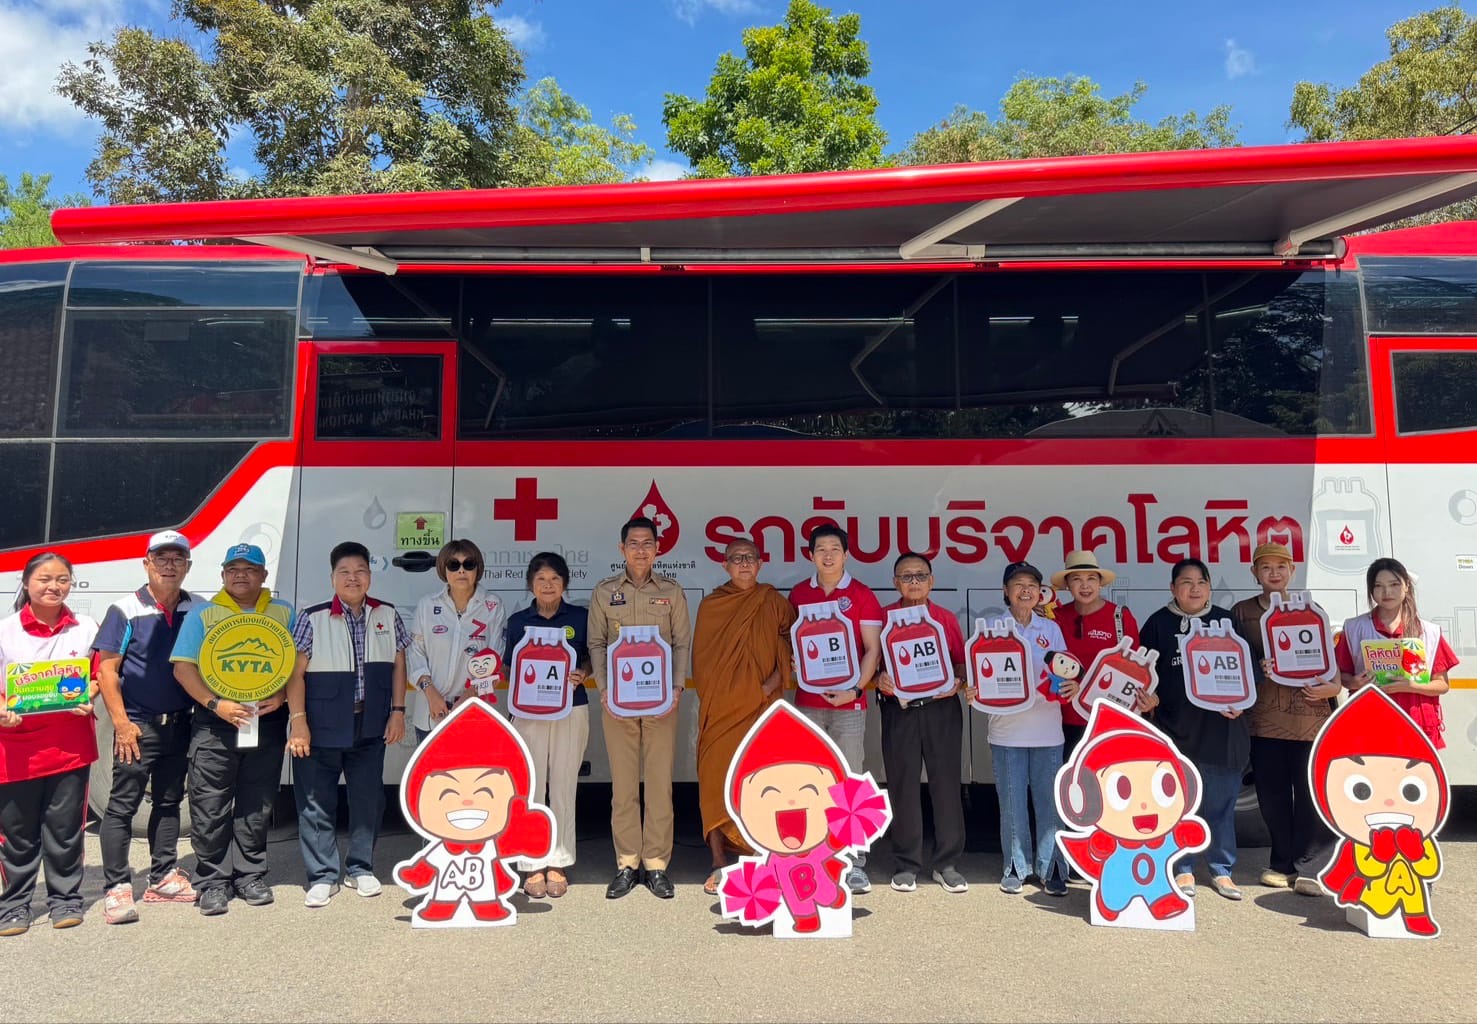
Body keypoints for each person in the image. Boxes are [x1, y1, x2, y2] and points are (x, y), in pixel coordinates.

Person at [170, 543, 295, 917]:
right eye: (233, 569)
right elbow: (183, 668)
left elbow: (298, 664)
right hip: (216, 722)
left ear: (263, 575)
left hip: (266, 721)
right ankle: (212, 881)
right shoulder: (203, 613)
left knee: (257, 803)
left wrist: (283, 695)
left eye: (250, 569)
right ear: (223, 574)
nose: (241, 575)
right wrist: (215, 704)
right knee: (210, 804)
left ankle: (250, 875)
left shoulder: (284, 612)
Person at [285, 541, 410, 908]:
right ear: (332, 578)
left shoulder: (387, 614)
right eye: (345, 572)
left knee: (368, 800)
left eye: (360, 571)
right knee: (315, 803)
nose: (353, 578)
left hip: (370, 725)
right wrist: (298, 722)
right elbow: (295, 674)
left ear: (370, 575)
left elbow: (399, 664)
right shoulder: (313, 616)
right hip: (320, 726)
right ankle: (322, 876)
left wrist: (398, 711)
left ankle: (360, 868)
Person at [94, 531, 198, 925]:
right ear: (146, 564)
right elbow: (107, 670)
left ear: (187, 566)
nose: (169, 565)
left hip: (181, 724)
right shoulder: (125, 609)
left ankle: (163, 878)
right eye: (161, 558)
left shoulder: (199, 607)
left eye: (177, 559)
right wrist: (122, 724)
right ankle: (117, 888)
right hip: (137, 727)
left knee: (169, 802)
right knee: (122, 806)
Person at [588, 517, 692, 900]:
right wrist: (604, 690)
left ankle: (657, 864)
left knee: (660, 783)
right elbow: (596, 643)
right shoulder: (605, 592)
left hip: (662, 701)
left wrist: (677, 687)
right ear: (622, 549)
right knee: (623, 784)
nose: (641, 550)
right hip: (617, 703)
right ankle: (627, 863)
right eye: (633, 543)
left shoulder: (671, 591)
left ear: (658, 549)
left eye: (648, 543)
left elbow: (681, 642)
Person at [1228, 542, 1338, 896]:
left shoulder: (1311, 609)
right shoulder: (1242, 612)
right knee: (1271, 794)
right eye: (1266, 567)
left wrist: (1333, 686)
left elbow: (1329, 662)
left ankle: (1312, 866)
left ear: (1292, 570)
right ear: (1254, 573)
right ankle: (1282, 863)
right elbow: (1232, 658)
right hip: (1263, 718)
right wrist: (1255, 667)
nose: (1273, 573)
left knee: (1309, 793)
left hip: (1309, 716)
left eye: (1281, 566)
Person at [0, 553, 99, 936]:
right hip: (15, 749)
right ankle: (15, 905)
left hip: (70, 747)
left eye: (62, 579)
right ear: (26, 583)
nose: (53, 587)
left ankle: (66, 900)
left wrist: (89, 695)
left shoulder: (85, 628)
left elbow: (98, 676)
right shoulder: (6, 631)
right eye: (44, 579)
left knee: (65, 830)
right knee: (17, 833)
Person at [692, 537, 796, 896]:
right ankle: (719, 860)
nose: (744, 564)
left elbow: (791, 644)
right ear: (725, 565)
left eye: (750, 558)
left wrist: (770, 684)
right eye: (736, 558)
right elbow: (703, 662)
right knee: (714, 777)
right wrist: (733, 695)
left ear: (761, 563)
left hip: (763, 707)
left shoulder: (773, 601)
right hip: (721, 709)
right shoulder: (711, 606)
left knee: (765, 780)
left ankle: (765, 854)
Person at [1138, 557, 1247, 901]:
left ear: (1210, 587)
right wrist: (1149, 698)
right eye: (1186, 582)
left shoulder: (1227, 622)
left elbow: (1248, 671)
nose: (1195, 589)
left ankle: (1221, 869)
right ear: (1173, 588)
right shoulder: (1157, 623)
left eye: (1201, 582)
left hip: (1222, 732)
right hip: (1175, 731)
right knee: (1179, 804)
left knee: (1220, 805)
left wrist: (1243, 701)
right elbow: (1143, 674)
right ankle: (1182, 867)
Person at [786, 524, 883, 895]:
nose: (828, 555)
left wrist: (854, 689)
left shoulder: (862, 595)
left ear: (846, 554)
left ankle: (854, 861)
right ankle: (812, 857)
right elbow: (792, 643)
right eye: (821, 549)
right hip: (808, 703)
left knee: (849, 782)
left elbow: (872, 650)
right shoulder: (799, 594)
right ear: (810, 555)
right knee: (806, 782)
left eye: (835, 549)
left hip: (849, 704)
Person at [974, 560, 1069, 897]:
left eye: (1032, 585)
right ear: (1006, 590)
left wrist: (1069, 684)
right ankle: (1015, 867)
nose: (1026, 590)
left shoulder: (1051, 630)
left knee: (1050, 804)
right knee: (1012, 804)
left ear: (1040, 592)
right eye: (1018, 584)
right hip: (1006, 731)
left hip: (1048, 729)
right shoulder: (990, 628)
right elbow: (978, 671)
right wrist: (974, 689)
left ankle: (1052, 868)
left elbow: (1064, 671)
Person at [875, 552, 968, 895]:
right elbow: (869, 662)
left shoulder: (944, 618)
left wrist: (958, 680)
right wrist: (878, 679)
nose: (913, 582)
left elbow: (961, 663)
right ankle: (906, 863)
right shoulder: (883, 618)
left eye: (920, 576)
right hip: (899, 710)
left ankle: (947, 863)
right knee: (902, 785)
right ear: (895, 582)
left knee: (946, 785)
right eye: (906, 576)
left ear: (931, 581)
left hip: (941, 710)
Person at [502, 551, 591, 900]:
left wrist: (583, 672)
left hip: (572, 708)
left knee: (565, 785)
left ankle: (559, 860)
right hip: (528, 713)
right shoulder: (517, 622)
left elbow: (592, 657)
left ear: (565, 583)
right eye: (541, 579)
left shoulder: (581, 617)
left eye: (555, 578)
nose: (548, 585)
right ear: (530, 585)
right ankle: (531, 861)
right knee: (532, 786)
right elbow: (508, 666)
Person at [1334, 557, 1455, 751]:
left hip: (1416, 721)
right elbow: (1342, 676)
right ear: (1371, 590)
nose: (1387, 592)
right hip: (1369, 720)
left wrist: (1412, 686)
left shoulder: (1428, 631)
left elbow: (1442, 685)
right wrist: (1355, 682)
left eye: (1394, 584)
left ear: (1406, 586)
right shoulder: (1354, 628)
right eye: (1378, 586)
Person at [407, 539, 506, 742]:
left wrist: (470, 695)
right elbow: (415, 653)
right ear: (444, 569)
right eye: (454, 564)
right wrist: (430, 692)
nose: (461, 570)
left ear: (478, 568)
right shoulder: (427, 605)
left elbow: (497, 658)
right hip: (431, 712)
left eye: (468, 564)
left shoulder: (493, 606)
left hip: (474, 710)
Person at [1051, 550, 1143, 754]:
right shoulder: (1055, 617)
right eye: (1077, 579)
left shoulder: (1120, 617)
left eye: (1091, 578)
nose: (1085, 586)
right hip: (1062, 720)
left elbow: (1134, 670)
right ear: (1067, 585)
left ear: (1100, 583)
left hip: (1108, 718)